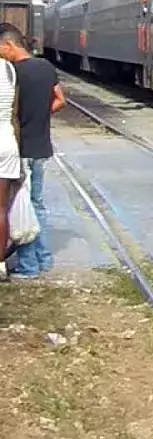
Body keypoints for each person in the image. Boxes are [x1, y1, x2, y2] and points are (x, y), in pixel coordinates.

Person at [0, 22, 63, 279]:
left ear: (10, 45)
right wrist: (40, 116)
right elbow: (60, 99)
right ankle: (44, 259)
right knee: (38, 204)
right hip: (42, 146)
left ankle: (28, 266)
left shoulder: (12, 74)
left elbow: (10, 112)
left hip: (21, 147)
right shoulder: (46, 66)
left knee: (18, 205)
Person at [0, 53, 19, 279]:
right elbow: (15, 111)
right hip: (6, 142)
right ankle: (1, 263)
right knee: (1, 209)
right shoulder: (9, 69)